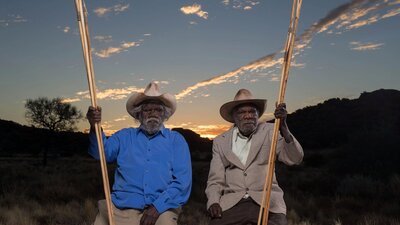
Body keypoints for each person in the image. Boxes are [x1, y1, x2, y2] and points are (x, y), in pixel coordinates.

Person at [86, 82, 192, 225]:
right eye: (147, 110)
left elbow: (182, 182)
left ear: (165, 114)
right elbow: (101, 153)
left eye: (158, 110)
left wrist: (157, 207)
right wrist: (94, 126)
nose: (153, 114)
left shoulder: (176, 141)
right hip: (120, 208)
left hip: (161, 210)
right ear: (139, 114)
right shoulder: (124, 136)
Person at [205, 89, 303, 225]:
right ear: (234, 116)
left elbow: (295, 158)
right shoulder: (220, 142)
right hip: (232, 204)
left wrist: (284, 127)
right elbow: (215, 180)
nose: (248, 116)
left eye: (252, 111)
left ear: (258, 114)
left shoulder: (270, 132)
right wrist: (214, 201)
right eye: (242, 112)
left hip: (267, 202)